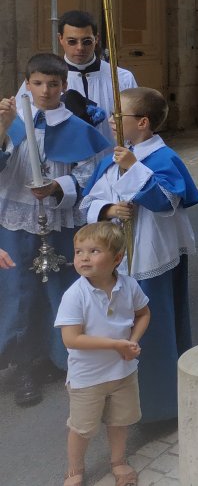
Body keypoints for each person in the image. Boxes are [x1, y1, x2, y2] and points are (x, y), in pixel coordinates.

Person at [81, 87, 198, 423]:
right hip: (117, 260)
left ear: (143, 122)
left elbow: (165, 201)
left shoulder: (163, 158)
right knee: (117, 328)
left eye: (119, 116)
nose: (112, 121)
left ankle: (161, 405)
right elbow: (88, 202)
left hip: (151, 259)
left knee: (153, 328)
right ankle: (122, 400)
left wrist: (133, 168)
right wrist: (108, 209)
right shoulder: (113, 158)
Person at [0, 53, 110, 407]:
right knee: (19, 291)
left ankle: (57, 357)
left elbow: (90, 173)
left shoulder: (78, 127)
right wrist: (2, 130)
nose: (45, 91)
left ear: (64, 86)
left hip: (60, 220)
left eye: (52, 84)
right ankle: (22, 364)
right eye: (37, 83)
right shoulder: (12, 122)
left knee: (61, 290)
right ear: (27, 85)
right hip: (16, 221)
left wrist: (57, 186)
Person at [55, 222, 150, 486]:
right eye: (78, 251)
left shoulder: (129, 285)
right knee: (82, 427)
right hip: (88, 377)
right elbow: (71, 339)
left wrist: (132, 341)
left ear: (117, 259)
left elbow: (143, 313)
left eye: (94, 251)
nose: (84, 257)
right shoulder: (75, 295)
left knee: (119, 421)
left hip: (123, 372)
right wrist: (116, 345)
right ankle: (74, 469)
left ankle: (118, 461)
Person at [45, 11, 138, 145]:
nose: (80, 48)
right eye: (72, 41)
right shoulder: (43, 80)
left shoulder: (121, 78)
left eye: (87, 41)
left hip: (112, 154)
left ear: (96, 38)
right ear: (60, 38)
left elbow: (136, 122)